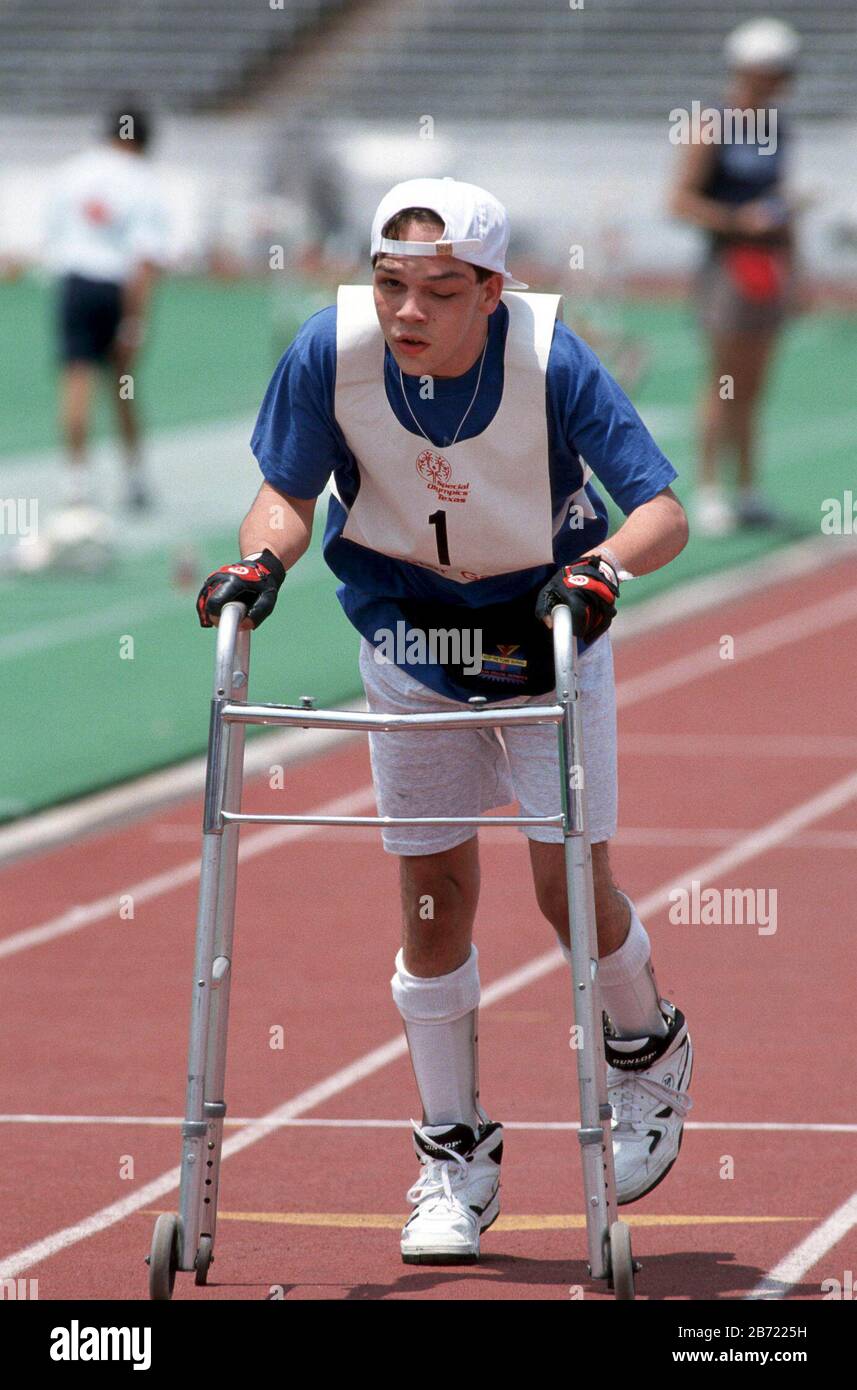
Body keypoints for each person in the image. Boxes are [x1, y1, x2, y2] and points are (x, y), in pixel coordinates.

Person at [197, 177, 693, 1266]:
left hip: (542, 631)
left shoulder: (552, 359)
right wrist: (260, 558)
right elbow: (285, 490)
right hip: (408, 637)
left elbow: (659, 508)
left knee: (565, 888)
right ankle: (453, 1154)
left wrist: (601, 569)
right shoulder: (328, 352)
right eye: (388, 285)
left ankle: (644, 1046)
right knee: (430, 900)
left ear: (491, 291)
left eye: (436, 289)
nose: (406, 311)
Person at [670, 18, 802, 536]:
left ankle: (747, 489)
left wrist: (794, 259)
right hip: (727, 267)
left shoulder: (779, 128)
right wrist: (737, 220)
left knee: (753, 385)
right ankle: (707, 490)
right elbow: (680, 200)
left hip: (768, 268)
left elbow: (780, 199)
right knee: (722, 383)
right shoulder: (712, 126)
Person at [44, 107, 169, 511]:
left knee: (76, 380)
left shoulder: (72, 172)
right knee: (122, 384)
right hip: (116, 287)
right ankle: (134, 477)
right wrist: (135, 323)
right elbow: (145, 259)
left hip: (76, 283)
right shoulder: (142, 181)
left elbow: (53, 236)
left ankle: (76, 482)